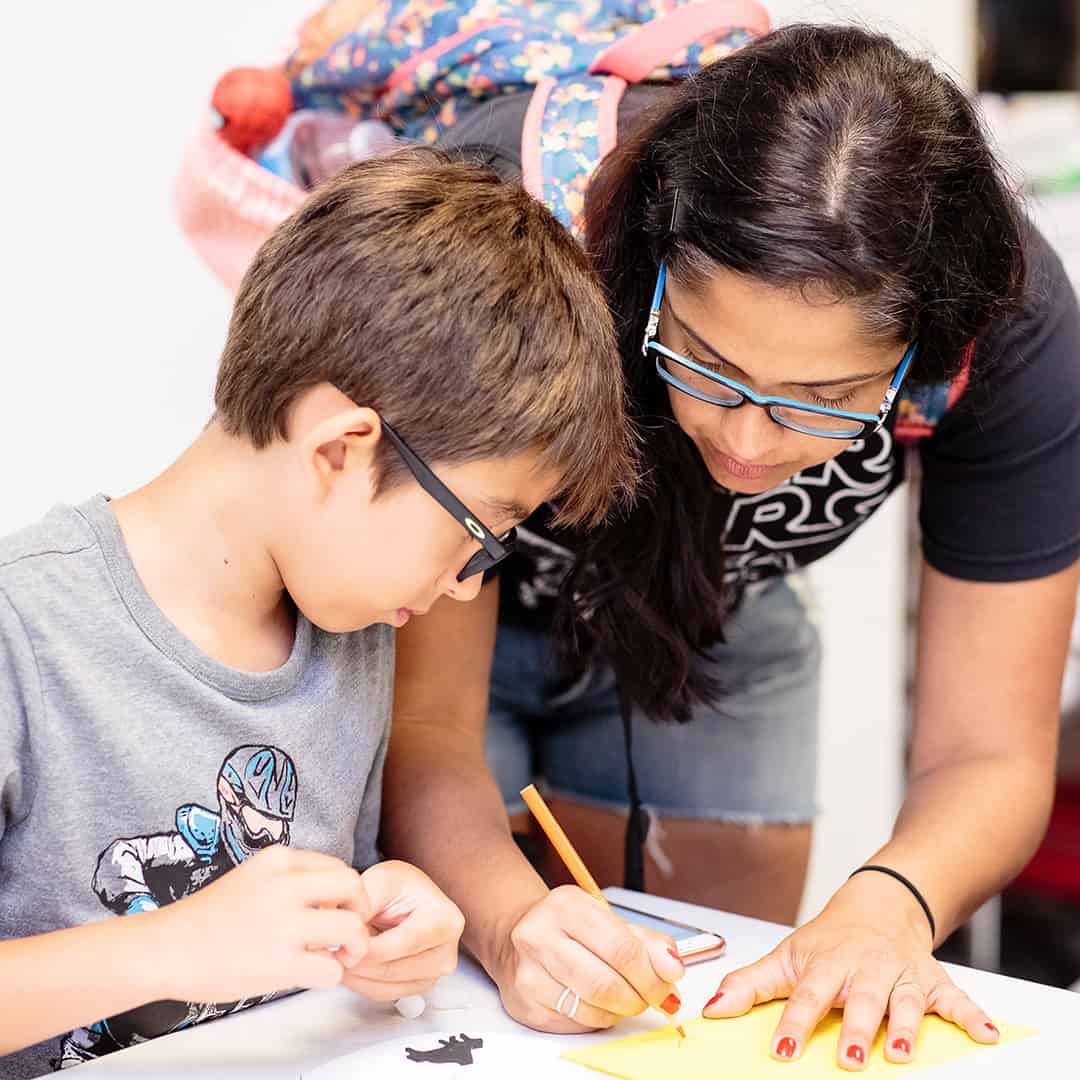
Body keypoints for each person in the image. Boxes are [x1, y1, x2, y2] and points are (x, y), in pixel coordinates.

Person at [381, 25, 1080, 1070]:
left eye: (827, 400)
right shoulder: (514, 232)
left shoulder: (1010, 332)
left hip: (715, 615)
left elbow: (990, 754)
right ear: (653, 271)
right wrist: (509, 922)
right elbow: (429, 729)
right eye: (705, 363)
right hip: (422, 604)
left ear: (922, 356)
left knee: (704, 1006)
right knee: (456, 995)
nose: (746, 443)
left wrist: (889, 906)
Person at [0, 146, 638, 1077]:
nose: (466, 585)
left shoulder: (352, 632)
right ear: (342, 449)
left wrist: (394, 922)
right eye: (478, 530)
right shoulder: (25, 631)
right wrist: (167, 948)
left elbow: (312, 930)